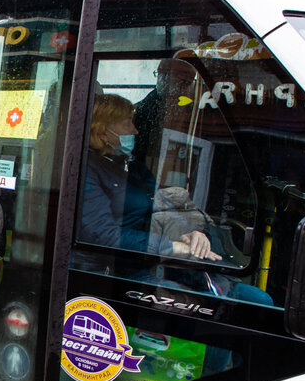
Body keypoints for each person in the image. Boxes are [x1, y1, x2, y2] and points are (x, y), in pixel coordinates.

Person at [78, 94, 221, 262]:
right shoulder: (87, 171)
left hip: (153, 254)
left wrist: (191, 235)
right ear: (102, 133)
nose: (135, 130)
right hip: (118, 266)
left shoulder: (133, 166)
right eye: (127, 124)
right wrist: (172, 246)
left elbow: (160, 209)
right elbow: (102, 235)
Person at [133, 58, 198, 159]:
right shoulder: (145, 107)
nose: (185, 87)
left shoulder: (193, 108)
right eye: (159, 73)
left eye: (189, 82)